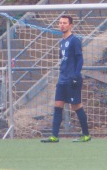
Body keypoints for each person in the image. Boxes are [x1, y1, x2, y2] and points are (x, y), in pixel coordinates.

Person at [41, 15, 91, 143]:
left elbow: (80, 59)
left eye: (64, 23)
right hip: (62, 79)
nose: (62, 25)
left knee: (76, 106)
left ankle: (86, 134)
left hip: (72, 79)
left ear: (70, 25)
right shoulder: (62, 42)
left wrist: (75, 75)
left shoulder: (74, 40)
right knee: (58, 105)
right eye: (60, 23)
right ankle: (54, 136)